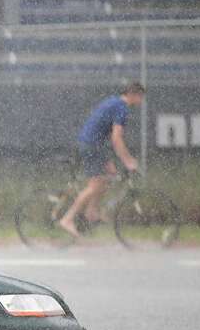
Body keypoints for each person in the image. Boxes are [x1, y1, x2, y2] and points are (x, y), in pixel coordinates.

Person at [58, 82, 145, 238]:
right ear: (133, 94)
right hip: (92, 146)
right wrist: (128, 161)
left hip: (94, 144)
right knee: (94, 186)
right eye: (140, 97)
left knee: (110, 176)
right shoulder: (122, 108)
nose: (141, 101)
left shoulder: (114, 101)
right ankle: (67, 219)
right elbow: (116, 139)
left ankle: (91, 212)